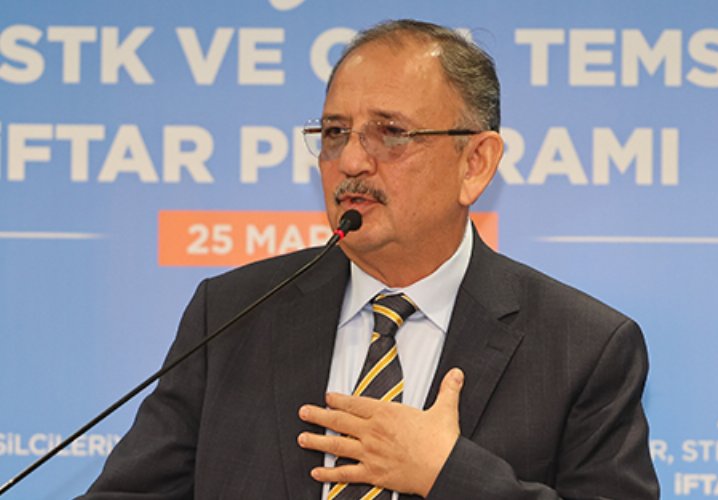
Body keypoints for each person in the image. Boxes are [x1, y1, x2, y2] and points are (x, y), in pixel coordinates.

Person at [80, 19, 659, 499]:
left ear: (475, 164)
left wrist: (448, 474)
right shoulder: (233, 314)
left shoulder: (583, 347)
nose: (352, 161)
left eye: (391, 133)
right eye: (335, 132)